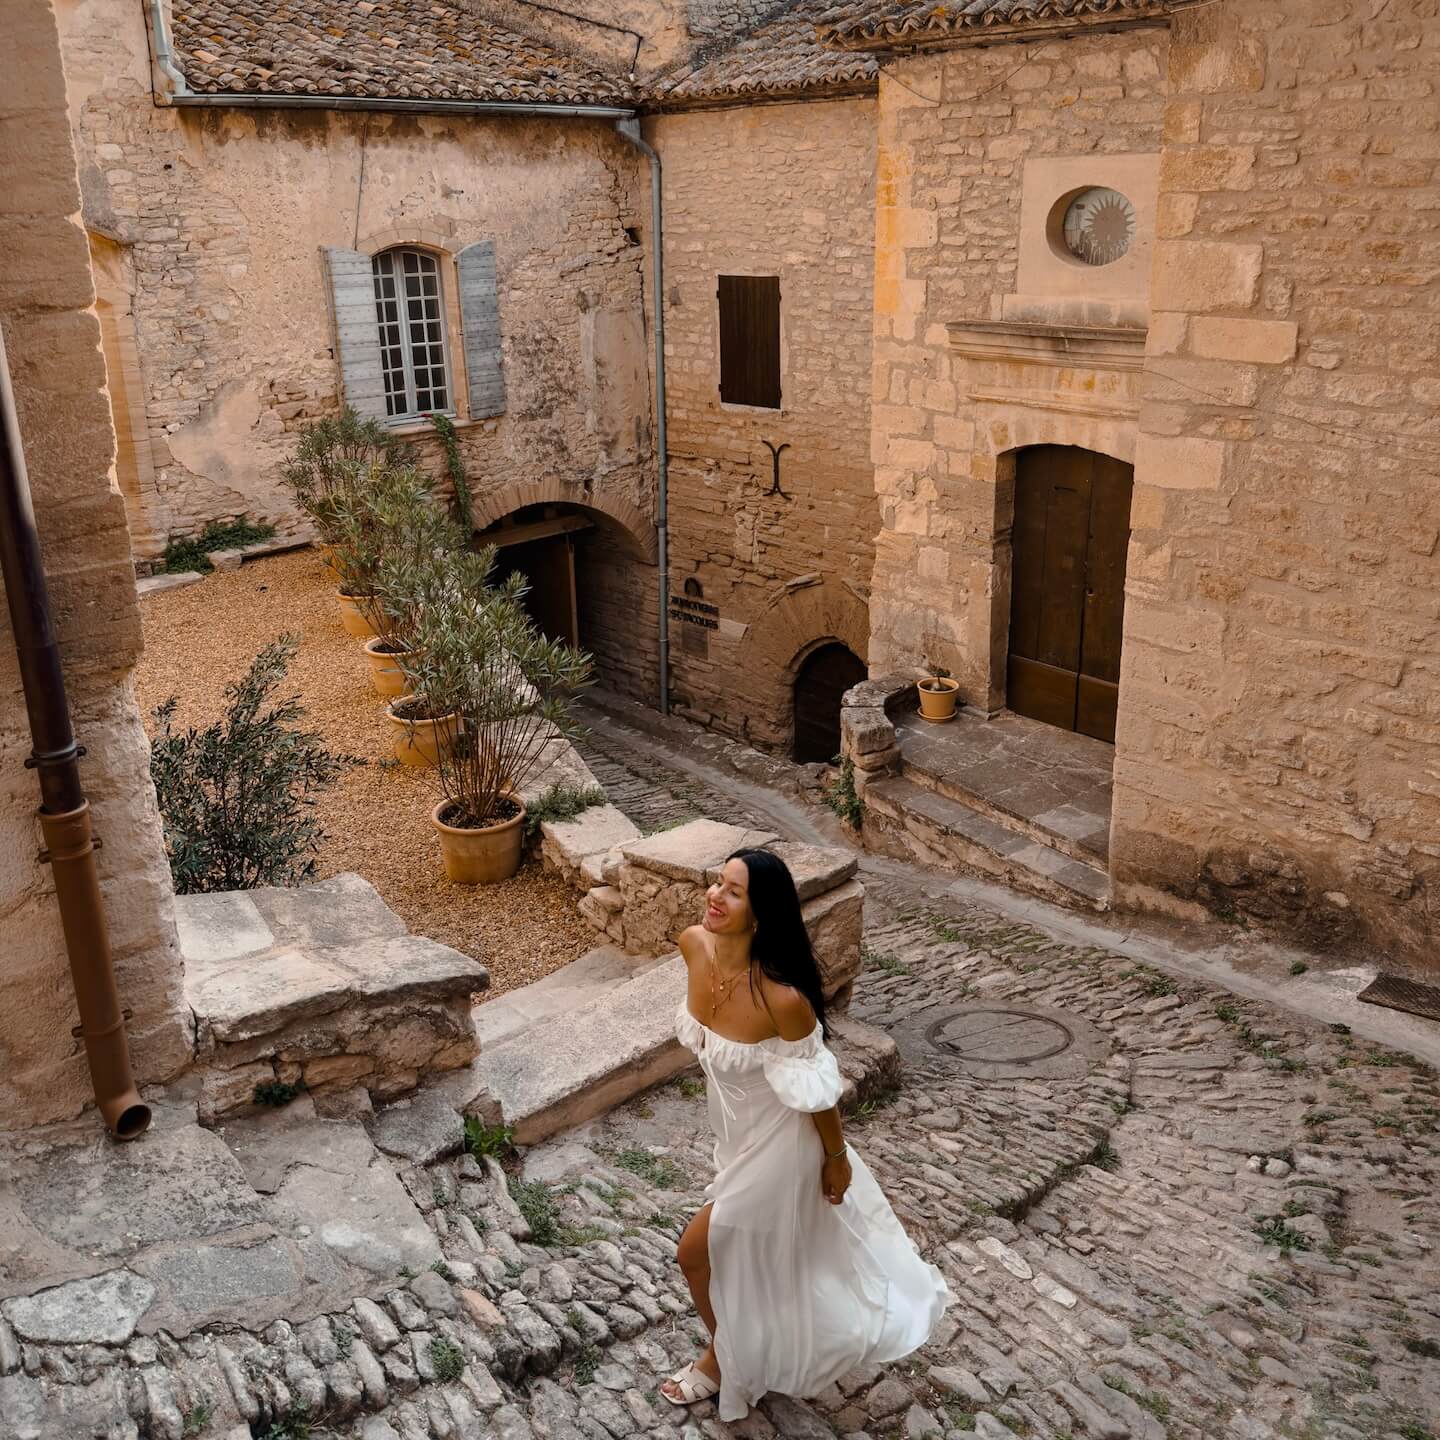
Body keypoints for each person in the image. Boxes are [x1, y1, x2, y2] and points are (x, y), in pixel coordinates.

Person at [660, 847, 949, 1420]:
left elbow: (818, 1093)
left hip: (784, 1149)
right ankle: (748, 1349)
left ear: (761, 913)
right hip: (736, 1141)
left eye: (734, 891)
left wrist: (835, 1159)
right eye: (718, 883)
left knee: (695, 1252)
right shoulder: (693, 945)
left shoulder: (783, 1001)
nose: (715, 896)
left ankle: (724, 1360)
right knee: (756, 1261)